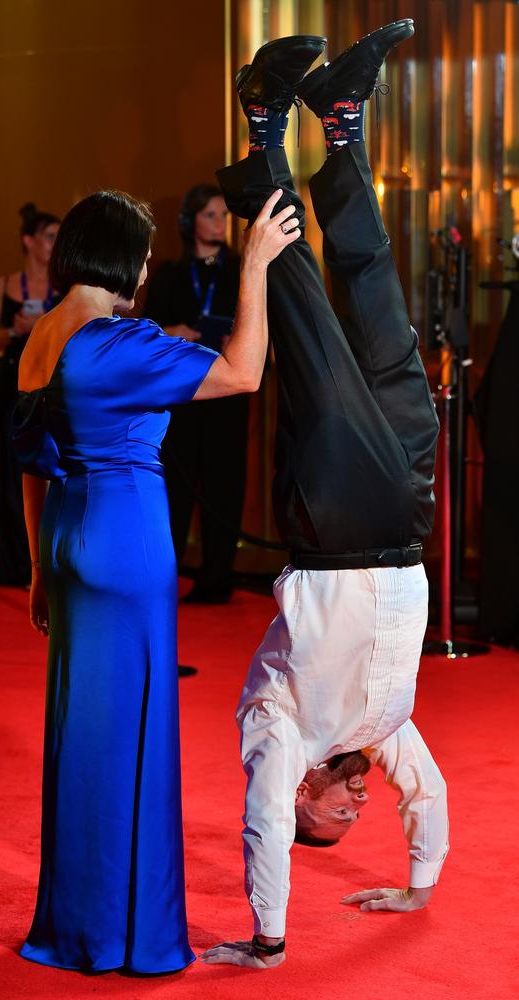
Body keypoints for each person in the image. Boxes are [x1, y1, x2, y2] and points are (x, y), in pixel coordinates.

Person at [201, 22, 448, 970]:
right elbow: (426, 797)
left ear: (304, 798)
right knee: (383, 315)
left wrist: (270, 936)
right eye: (356, 817)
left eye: (336, 819)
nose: (355, 808)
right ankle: (339, 128)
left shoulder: (280, 730)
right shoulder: (384, 733)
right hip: (407, 515)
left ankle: (264, 128)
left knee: (302, 305)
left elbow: (262, 824)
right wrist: (419, 883)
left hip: (336, 518)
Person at [12, 188, 301, 974]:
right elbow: (244, 373)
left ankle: (76, 927)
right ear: (122, 257)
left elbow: (32, 469)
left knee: (82, 739)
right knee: (133, 743)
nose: (147, 265)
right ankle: (125, 938)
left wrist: (40, 570)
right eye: (141, 251)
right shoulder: (116, 342)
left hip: (71, 545)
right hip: (126, 548)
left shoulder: (42, 337)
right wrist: (257, 269)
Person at [143, 184, 247, 603]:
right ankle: (166, 575)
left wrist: (235, 341)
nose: (219, 223)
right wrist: (177, 334)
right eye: (210, 214)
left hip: (226, 395)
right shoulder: (169, 273)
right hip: (180, 396)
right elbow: (147, 334)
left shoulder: (242, 270)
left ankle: (218, 578)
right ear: (190, 221)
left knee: (225, 483)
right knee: (176, 485)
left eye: (224, 215)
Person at [0, 203, 61, 587]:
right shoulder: (5, 284)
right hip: (14, 383)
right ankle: (16, 566)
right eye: (49, 237)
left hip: (55, 385)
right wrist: (15, 330)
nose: (54, 244)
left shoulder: (66, 286)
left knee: (53, 469)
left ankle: (53, 564)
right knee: (14, 473)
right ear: (29, 242)